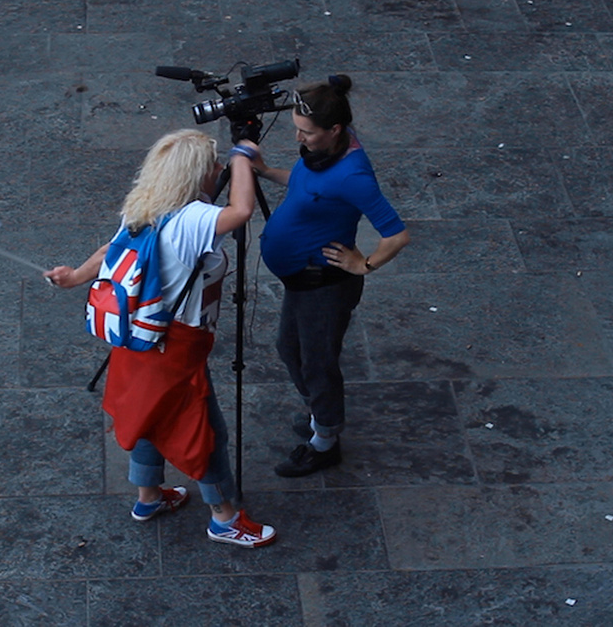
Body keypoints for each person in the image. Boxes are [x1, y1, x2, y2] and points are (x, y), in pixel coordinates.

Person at [45, 129, 276, 548]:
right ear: (195, 175)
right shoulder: (192, 219)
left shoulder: (144, 206)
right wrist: (243, 157)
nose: (220, 169)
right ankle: (224, 519)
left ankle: (148, 498)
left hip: (137, 342)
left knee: (146, 415)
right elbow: (241, 210)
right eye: (214, 165)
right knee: (203, 431)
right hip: (176, 347)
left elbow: (108, 252)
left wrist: (75, 277)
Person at [246, 75, 410, 478]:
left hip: (324, 285)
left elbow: (397, 233)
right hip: (301, 279)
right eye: (298, 131)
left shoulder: (352, 176)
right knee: (290, 349)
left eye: (307, 133)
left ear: (335, 130)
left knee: (317, 363)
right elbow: (305, 182)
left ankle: (325, 440)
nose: (301, 140)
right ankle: (321, 412)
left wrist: (365, 264)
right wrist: (266, 171)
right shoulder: (325, 153)